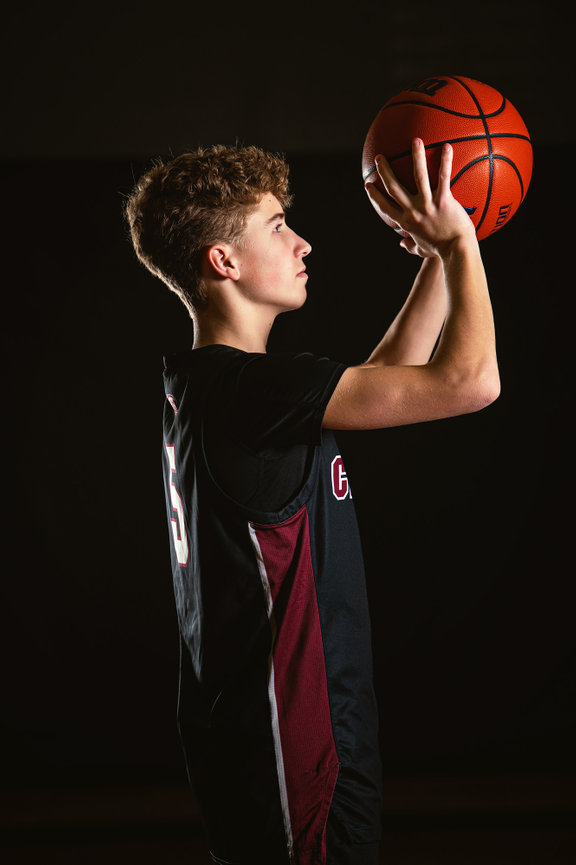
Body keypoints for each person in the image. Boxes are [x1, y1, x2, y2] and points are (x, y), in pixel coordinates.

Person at [125, 140, 499, 865]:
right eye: (274, 227)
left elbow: (387, 375)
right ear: (223, 261)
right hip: (293, 752)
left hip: (260, 743)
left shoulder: (213, 389)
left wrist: (433, 262)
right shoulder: (251, 391)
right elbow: (471, 381)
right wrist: (460, 243)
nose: (301, 242)